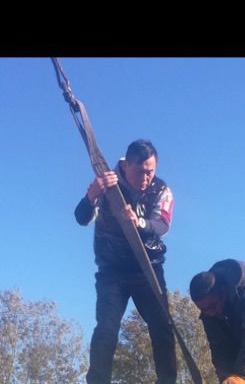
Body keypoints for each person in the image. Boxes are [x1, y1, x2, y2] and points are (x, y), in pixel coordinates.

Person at [75, 139, 177, 384]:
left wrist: (138, 223)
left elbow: (162, 225)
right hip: (113, 271)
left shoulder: (161, 189)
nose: (146, 177)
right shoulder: (107, 184)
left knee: (162, 327)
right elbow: (81, 217)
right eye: (140, 171)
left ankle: (167, 381)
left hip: (147, 268)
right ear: (126, 165)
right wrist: (92, 195)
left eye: (151, 171)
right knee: (106, 329)